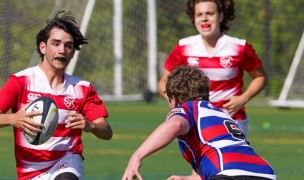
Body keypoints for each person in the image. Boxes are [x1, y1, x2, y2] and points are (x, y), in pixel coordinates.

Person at [0, 11, 113, 180]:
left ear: (73, 53)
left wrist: (91, 126)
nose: (62, 50)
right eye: (56, 43)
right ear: (42, 47)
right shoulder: (21, 81)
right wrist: (12, 119)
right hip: (29, 171)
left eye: (68, 45)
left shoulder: (82, 88)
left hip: (66, 161)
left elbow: (107, 132)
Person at [122, 66, 276, 180]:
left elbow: (175, 125)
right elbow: (230, 157)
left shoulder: (188, 108)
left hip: (229, 174)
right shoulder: (221, 115)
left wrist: (137, 156)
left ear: (173, 98)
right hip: (264, 173)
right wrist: (188, 178)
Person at [158, 0, 268, 138]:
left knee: (231, 159)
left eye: (210, 13)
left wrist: (243, 98)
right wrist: (174, 101)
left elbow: (260, 77)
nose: (204, 18)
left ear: (220, 16)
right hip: (196, 119)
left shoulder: (239, 47)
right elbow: (163, 82)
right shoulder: (184, 47)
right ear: (194, 18)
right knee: (202, 160)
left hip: (231, 120)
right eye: (199, 14)